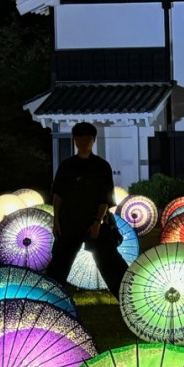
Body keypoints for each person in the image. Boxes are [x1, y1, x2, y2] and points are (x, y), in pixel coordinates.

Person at [43, 121, 126, 289]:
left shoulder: (101, 166)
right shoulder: (67, 166)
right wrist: (56, 221)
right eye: (79, 138)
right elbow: (58, 195)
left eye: (87, 138)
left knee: (110, 264)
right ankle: (50, 298)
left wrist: (97, 221)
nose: (82, 142)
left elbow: (105, 198)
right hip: (69, 221)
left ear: (93, 140)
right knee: (59, 264)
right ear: (74, 140)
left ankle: (127, 294)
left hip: (94, 221)